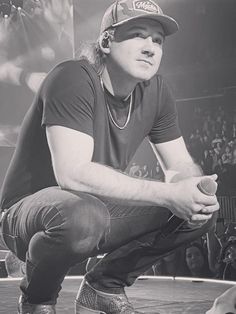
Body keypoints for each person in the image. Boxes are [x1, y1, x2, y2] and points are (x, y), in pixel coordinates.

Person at [0, 0, 219, 313]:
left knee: (201, 211)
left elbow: (180, 164)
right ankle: (37, 298)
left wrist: (191, 187)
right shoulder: (72, 77)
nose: (150, 47)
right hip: (25, 212)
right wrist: (169, 193)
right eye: (138, 36)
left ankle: (104, 285)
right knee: (84, 214)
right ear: (105, 41)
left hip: (94, 209)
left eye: (157, 40)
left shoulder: (156, 91)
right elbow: (72, 174)